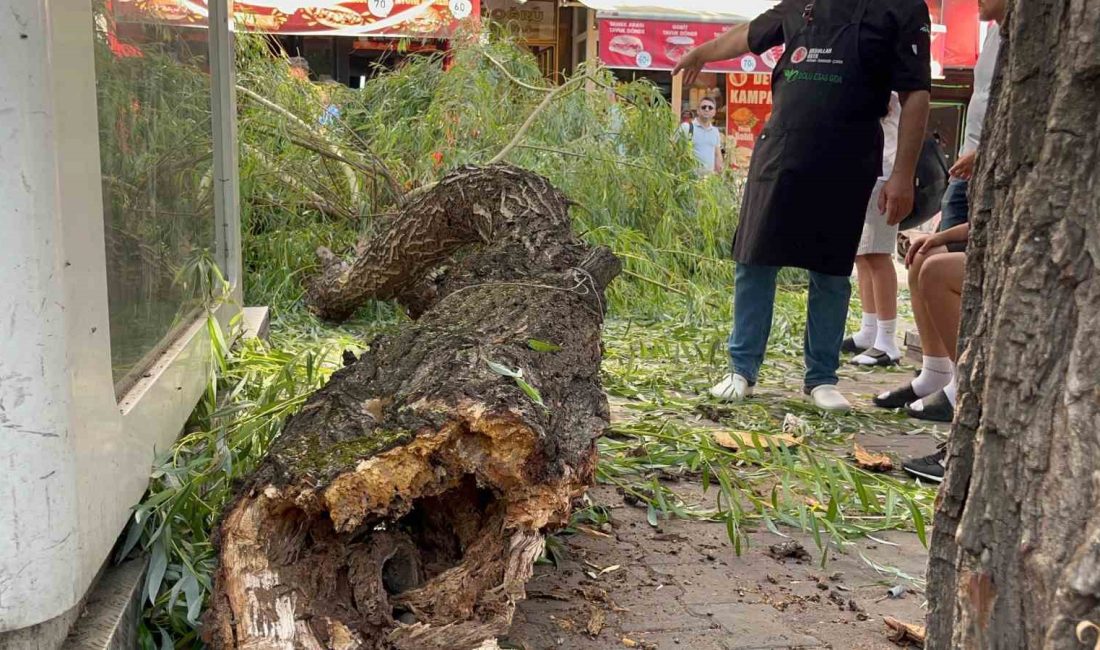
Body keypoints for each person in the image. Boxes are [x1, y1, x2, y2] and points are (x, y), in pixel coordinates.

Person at [673, 0, 932, 411]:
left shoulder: (901, 8)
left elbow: (916, 93)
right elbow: (750, 33)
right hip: (781, 149)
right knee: (754, 260)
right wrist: (704, 51)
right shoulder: (803, 2)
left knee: (831, 269)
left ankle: (821, 378)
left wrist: (903, 174)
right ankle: (741, 369)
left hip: (849, 156)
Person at [846, 92, 904, 366]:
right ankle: (869, 331)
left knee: (877, 255)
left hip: (884, 173)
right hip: (863, 171)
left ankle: (888, 341)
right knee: (862, 254)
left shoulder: (889, 85)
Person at [679, 98, 723, 175]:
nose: (707, 109)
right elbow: (674, 150)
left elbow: (717, 154)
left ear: (714, 112)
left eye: (710, 107)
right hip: (689, 181)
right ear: (698, 111)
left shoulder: (715, 132)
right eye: (703, 107)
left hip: (708, 182)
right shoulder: (686, 127)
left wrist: (719, 174)